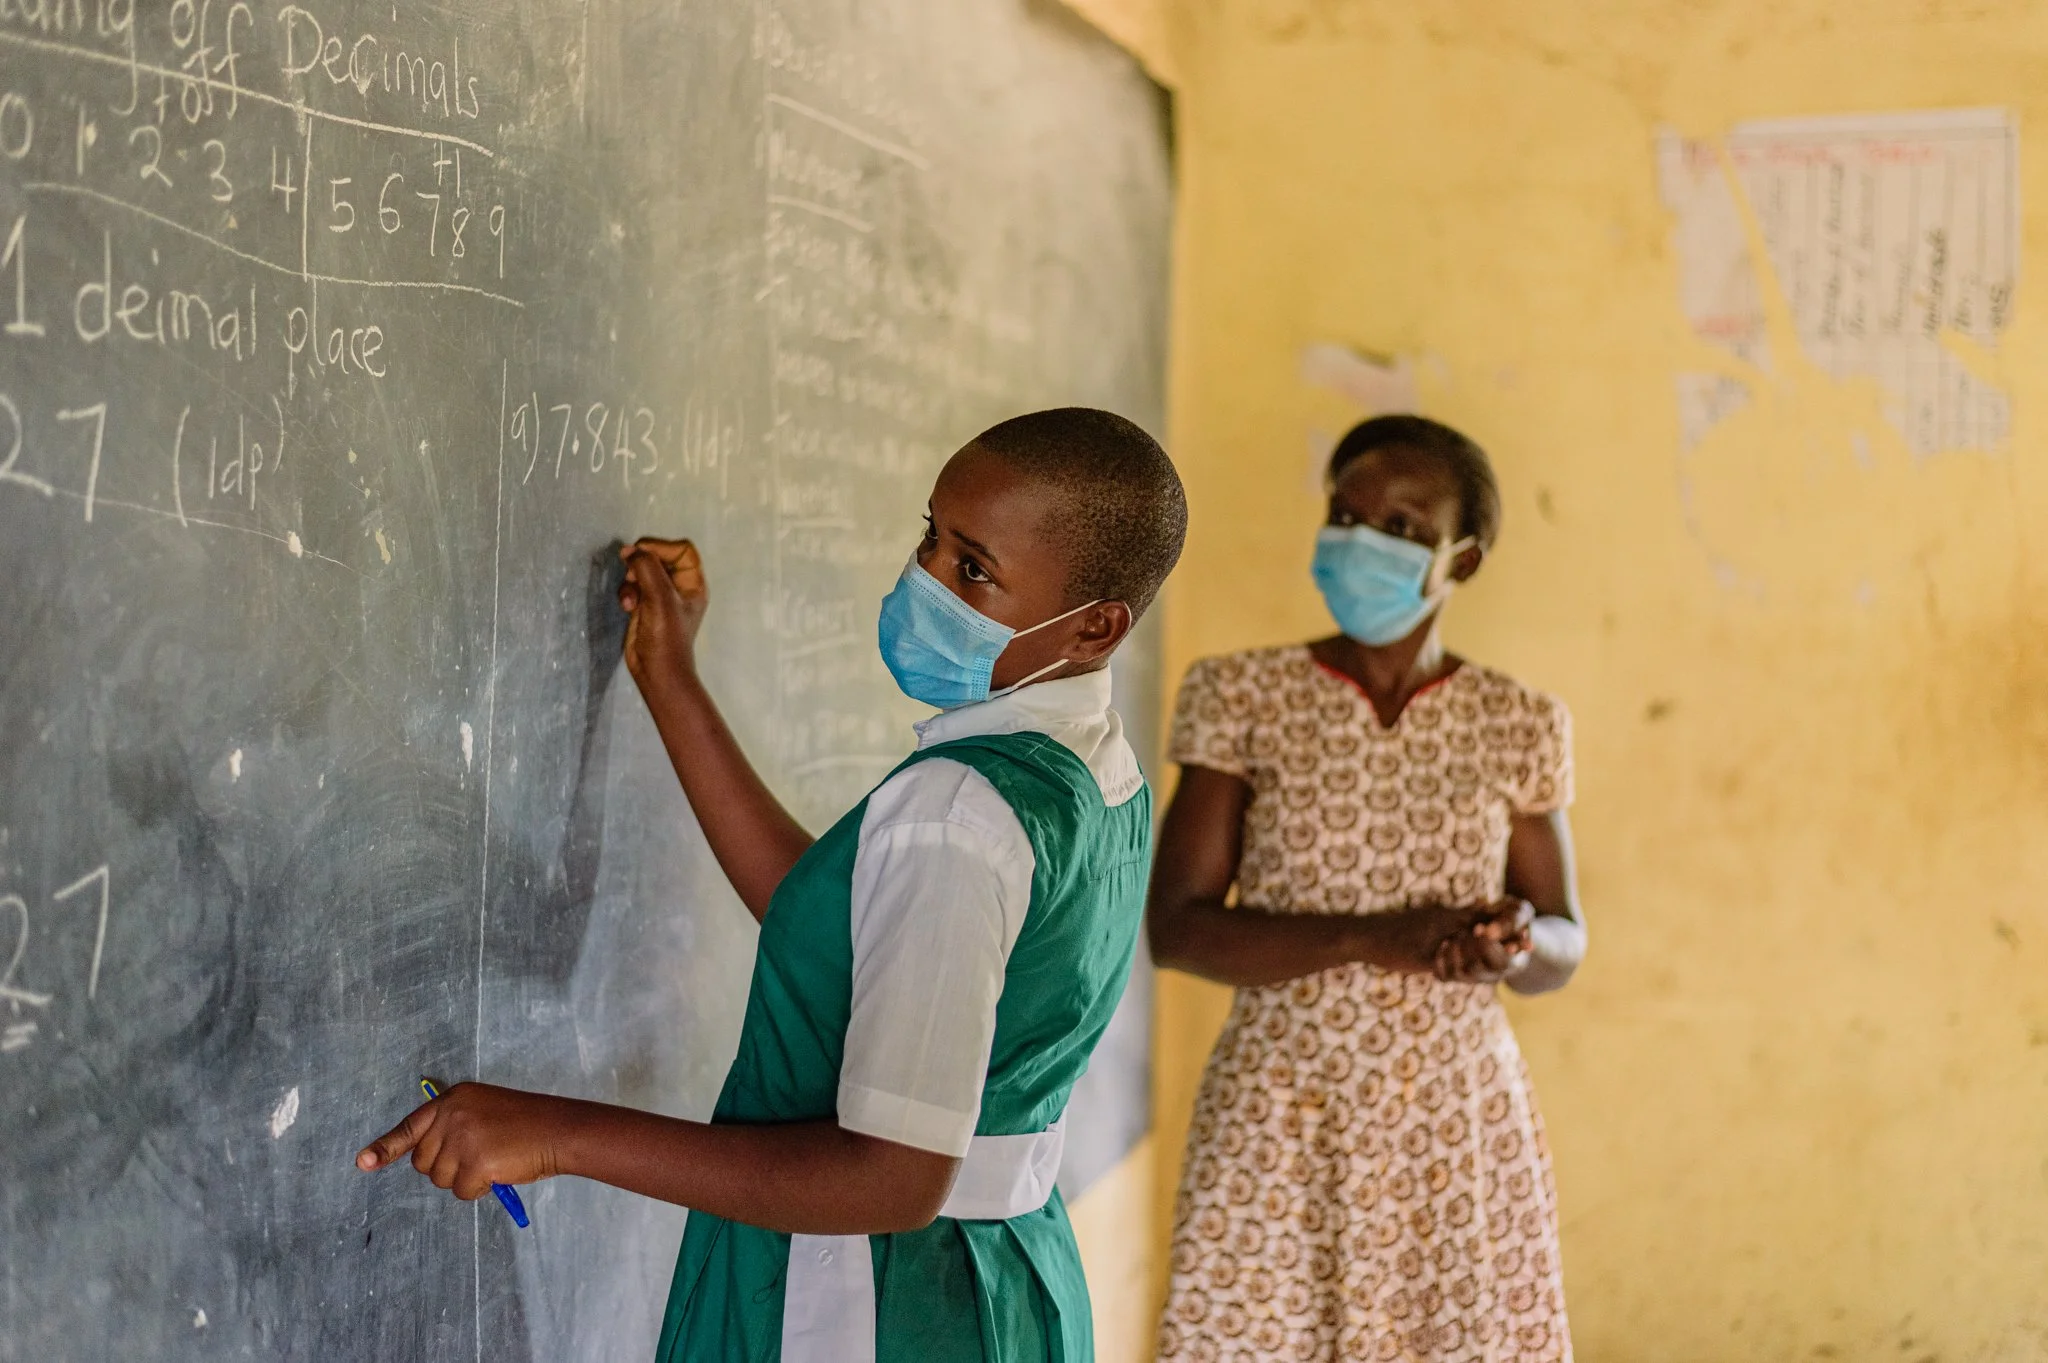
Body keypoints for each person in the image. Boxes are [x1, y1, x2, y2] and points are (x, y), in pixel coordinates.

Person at [354, 408, 1188, 1362]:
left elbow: (891, 1179)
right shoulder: (1092, 772)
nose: (926, 581)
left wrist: (552, 1134)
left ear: (1094, 624)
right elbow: (838, 930)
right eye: (931, 536)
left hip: (871, 1299)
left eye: (973, 572)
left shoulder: (960, 812)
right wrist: (670, 678)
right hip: (992, 1277)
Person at [1151, 415, 1586, 1363]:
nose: (1360, 540)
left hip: (1454, 1122)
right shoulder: (1241, 697)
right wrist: (1373, 935)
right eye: (1345, 514)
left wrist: (1516, 941)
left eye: (1399, 525)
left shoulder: (1519, 723)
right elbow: (1177, 929)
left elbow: (1565, 941)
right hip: (1281, 1115)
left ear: (1461, 559)